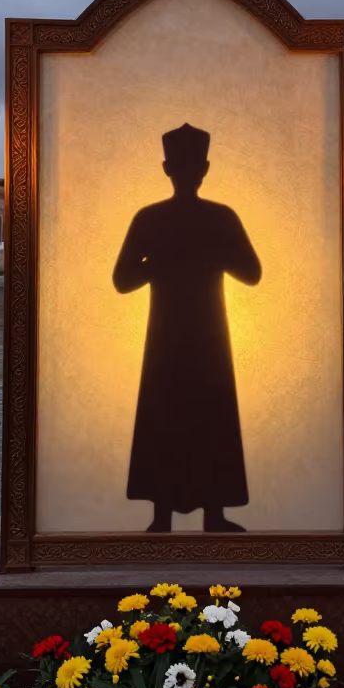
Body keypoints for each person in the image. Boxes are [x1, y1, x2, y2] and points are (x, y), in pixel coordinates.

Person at [113, 123, 261, 533]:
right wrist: (166, 262)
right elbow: (122, 279)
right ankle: (166, 516)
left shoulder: (209, 218)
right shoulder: (159, 219)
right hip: (173, 335)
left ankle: (209, 514)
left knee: (201, 414)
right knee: (170, 412)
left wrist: (209, 255)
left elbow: (251, 272)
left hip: (201, 335)